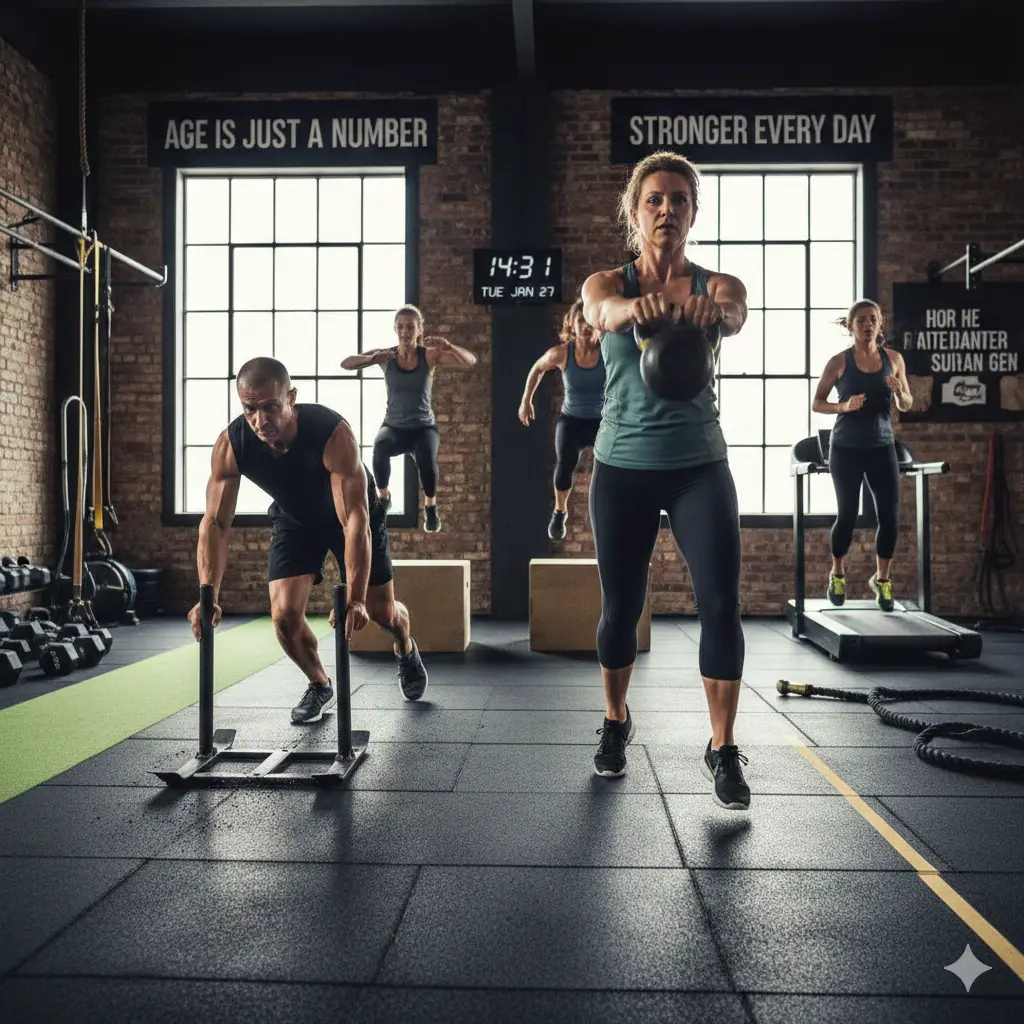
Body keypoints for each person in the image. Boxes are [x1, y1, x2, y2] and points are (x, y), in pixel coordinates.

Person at [580, 150, 751, 811]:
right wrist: (631, 310)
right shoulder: (606, 281)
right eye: (654, 199)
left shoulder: (718, 285)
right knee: (621, 608)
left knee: (721, 604)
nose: (667, 209)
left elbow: (735, 313)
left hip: (699, 467)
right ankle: (617, 719)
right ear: (633, 210)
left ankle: (723, 747)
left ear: (693, 213)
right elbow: (601, 315)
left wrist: (715, 316)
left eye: (680, 200)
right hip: (621, 467)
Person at [189, 356, 430, 723]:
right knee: (284, 615)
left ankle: (405, 645)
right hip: (295, 518)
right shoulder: (231, 444)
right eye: (250, 409)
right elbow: (216, 523)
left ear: (291, 398)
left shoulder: (331, 433)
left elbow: (354, 520)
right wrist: (209, 594)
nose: (260, 420)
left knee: (381, 613)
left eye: (270, 407)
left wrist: (356, 598)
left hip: (349, 516)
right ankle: (319, 683)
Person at [811, 299, 913, 612]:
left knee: (890, 519)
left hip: (882, 447)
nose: (867, 325)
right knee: (848, 515)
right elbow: (818, 402)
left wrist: (899, 392)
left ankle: (881, 581)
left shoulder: (893, 359)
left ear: (879, 324)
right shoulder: (839, 362)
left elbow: (908, 403)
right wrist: (843, 406)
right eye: (861, 320)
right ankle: (837, 573)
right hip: (846, 449)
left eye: (873, 320)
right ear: (851, 326)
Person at [340, 304, 477, 533]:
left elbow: (470, 361)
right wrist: (373, 358)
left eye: (410, 327)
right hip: (394, 427)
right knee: (380, 447)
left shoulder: (429, 356)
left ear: (419, 329)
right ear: (395, 329)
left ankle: (431, 507)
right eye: (401, 327)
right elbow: (346, 364)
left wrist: (449, 346)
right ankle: (384, 498)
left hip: (423, 428)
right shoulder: (386, 357)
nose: (405, 332)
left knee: (426, 460)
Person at [518, 297, 606, 540]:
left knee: (611, 469)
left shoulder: (607, 351)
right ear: (572, 325)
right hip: (572, 421)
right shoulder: (561, 354)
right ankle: (559, 512)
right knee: (564, 465)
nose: (586, 326)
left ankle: (607, 515)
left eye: (590, 321)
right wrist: (526, 400)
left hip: (602, 423)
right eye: (580, 321)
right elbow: (537, 368)